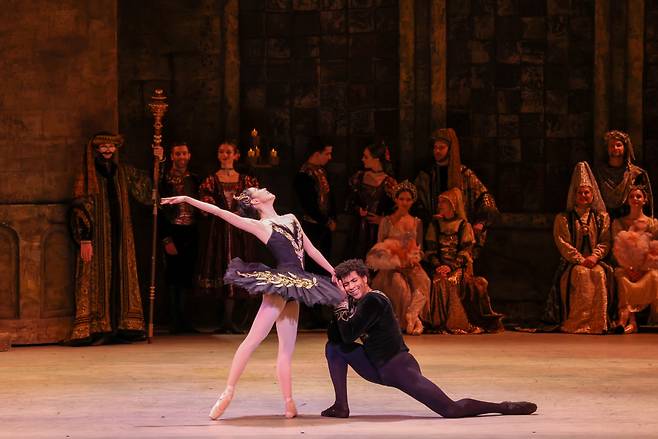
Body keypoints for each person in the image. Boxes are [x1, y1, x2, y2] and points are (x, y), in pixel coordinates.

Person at [161, 188, 344, 420]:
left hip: (298, 283)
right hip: (281, 283)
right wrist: (187, 199)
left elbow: (311, 249)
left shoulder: (291, 218)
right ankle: (227, 392)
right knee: (252, 341)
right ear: (256, 201)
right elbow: (219, 212)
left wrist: (333, 271)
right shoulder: (261, 225)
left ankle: (289, 403)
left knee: (286, 351)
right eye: (260, 190)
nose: (266, 188)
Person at [322, 258, 537, 419]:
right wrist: (339, 300)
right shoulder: (355, 302)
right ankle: (341, 405)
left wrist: (340, 303)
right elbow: (339, 335)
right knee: (334, 347)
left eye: (354, 281)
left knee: (450, 410)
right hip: (376, 366)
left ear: (365, 278)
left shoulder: (373, 301)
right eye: (346, 284)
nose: (351, 287)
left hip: (397, 367)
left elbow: (350, 333)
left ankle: (502, 407)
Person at [68, 132, 163, 345]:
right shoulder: (88, 174)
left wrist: (157, 161)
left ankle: (124, 326)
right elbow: (80, 205)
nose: (108, 150)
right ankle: (99, 327)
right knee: (97, 277)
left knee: (121, 276)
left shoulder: (123, 172)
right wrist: (85, 238)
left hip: (121, 236)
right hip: (97, 237)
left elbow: (148, 191)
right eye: (103, 147)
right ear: (95, 149)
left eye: (111, 147)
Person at [197, 141, 259, 333]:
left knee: (239, 266)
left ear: (236, 155)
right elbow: (205, 201)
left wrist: (243, 211)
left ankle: (235, 319)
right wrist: (217, 209)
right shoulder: (210, 180)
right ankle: (224, 319)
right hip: (219, 232)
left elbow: (256, 202)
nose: (225, 155)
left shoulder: (246, 180)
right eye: (221, 152)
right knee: (221, 266)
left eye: (228, 152)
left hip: (240, 231)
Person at [423, 188, 503, 334]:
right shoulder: (435, 224)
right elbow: (431, 250)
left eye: (444, 202)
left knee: (451, 281)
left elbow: (465, 251)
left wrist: (450, 266)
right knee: (437, 281)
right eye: (439, 202)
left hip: (457, 267)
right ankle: (438, 323)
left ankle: (457, 322)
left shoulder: (463, 225)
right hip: (440, 266)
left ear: (453, 204)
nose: (440, 205)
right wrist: (438, 265)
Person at [546, 161, 611, 334]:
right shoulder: (564, 218)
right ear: (574, 195)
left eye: (587, 192)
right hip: (573, 263)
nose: (583, 195)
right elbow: (563, 242)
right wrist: (580, 259)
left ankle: (598, 323)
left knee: (599, 274)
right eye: (580, 192)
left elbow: (605, 240)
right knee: (581, 275)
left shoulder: (601, 218)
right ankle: (577, 322)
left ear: (592, 195)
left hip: (593, 260)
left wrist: (594, 257)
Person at [413, 128, 499, 259]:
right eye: (435, 147)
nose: (437, 151)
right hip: (434, 232)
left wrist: (481, 221)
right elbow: (415, 200)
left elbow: (484, 196)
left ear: (450, 149)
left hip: (459, 232)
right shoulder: (426, 175)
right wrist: (428, 217)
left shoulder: (464, 174)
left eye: (441, 148)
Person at [366, 181, 430, 335]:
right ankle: (405, 321)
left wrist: (414, 259)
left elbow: (419, 248)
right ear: (396, 199)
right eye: (402, 199)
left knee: (424, 283)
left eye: (408, 199)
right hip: (392, 267)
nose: (405, 202)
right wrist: (392, 262)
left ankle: (413, 316)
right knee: (400, 287)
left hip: (410, 264)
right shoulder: (387, 221)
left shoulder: (417, 222)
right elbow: (379, 247)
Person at [293, 137, 337, 329]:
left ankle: (320, 310)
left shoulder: (321, 172)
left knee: (323, 268)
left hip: (323, 227)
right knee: (311, 269)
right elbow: (308, 204)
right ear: (316, 153)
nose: (329, 157)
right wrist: (324, 220)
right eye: (327, 153)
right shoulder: (303, 175)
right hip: (311, 227)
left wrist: (331, 219)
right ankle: (310, 313)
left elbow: (329, 198)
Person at [159, 141, 200, 333]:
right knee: (173, 276)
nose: (181, 157)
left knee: (187, 277)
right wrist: (166, 238)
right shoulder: (164, 180)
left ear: (189, 155)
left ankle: (186, 320)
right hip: (172, 230)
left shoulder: (196, 179)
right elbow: (159, 210)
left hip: (191, 231)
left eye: (184, 154)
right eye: (178, 154)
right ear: (172, 156)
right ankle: (174, 321)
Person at [611, 185, 658, 333]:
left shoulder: (652, 223)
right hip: (626, 268)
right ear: (627, 200)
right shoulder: (620, 223)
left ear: (645, 200)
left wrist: (644, 267)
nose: (635, 199)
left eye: (638, 196)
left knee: (655, 277)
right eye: (632, 196)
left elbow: (654, 248)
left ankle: (651, 319)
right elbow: (617, 248)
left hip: (646, 268)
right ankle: (626, 318)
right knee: (621, 277)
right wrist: (629, 267)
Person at [345, 142, 397, 259]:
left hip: (377, 233)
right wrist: (358, 209)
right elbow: (349, 202)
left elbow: (397, 211)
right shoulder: (358, 177)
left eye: (366, 156)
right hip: (358, 231)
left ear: (377, 159)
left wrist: (383, 221)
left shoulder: (389, 183)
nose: (362, 159)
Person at [595, 130, 653, 220]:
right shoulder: (598, 173)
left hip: (629, 225)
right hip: (603, 222)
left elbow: (646, 205)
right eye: (611, 145)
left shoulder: (637, 174)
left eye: (618, 145)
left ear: (625, 148)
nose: (615, 148)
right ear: (607, 149)